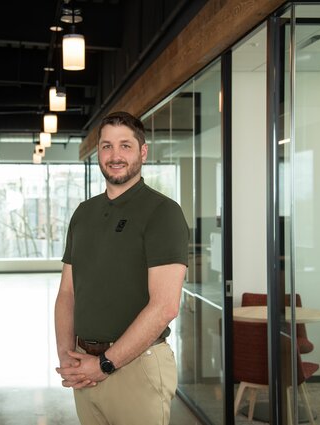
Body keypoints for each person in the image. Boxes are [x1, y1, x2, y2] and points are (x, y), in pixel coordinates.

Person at [55, 111, 189, 425]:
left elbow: (165, 306)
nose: (115, 156)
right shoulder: (84, 213)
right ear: (98, 152)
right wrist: (67, 354)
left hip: (135, 367)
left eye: (125, 146)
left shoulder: (162, 212)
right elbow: (67, 292)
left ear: (143, 152)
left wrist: (104, 364)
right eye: (106, 146)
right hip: (85, 365)